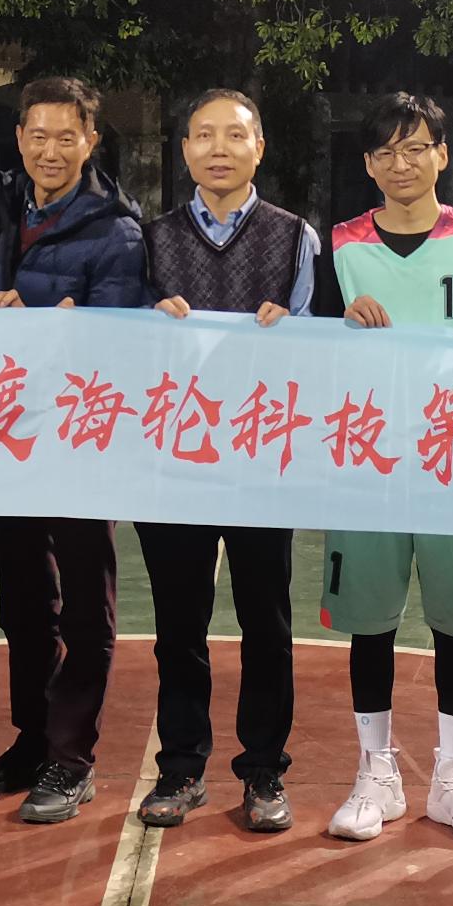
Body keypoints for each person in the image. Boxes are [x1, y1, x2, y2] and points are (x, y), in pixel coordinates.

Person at [321, 92, 453, 848]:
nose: (400, 163)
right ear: (368, 164)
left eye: (415, 148)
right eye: (385, 152)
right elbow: (309, 352)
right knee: (370, 623)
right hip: (368, 462)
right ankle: (375, 772)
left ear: (442, 153)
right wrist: (338, 327)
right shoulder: (339, 246)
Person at [140, 88, 320, 832]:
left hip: (261, 456)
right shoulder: (149, 240)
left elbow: (317, 347)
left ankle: (264, 770)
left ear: (259, 146)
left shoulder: (296, 236)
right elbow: (123, 349)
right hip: (176, 457)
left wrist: (291, 332)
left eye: (235, 135)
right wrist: (147, 322)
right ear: (184, 149)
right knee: (178, 623)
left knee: (266, 621)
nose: (219, 147)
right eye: (204, 134)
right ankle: (181, 767)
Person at [0, 75, 147, 824]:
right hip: (11, 438)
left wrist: (41, 316)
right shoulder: (2, 209)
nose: (50, 150)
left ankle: (72, 758)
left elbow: (111, 344)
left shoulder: (119, 231)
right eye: (37, 135)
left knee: (84, 607)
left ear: (91, 141)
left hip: (82, 441)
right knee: (24, 602)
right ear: (20, 138)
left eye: (66, 137)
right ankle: (33, 740)